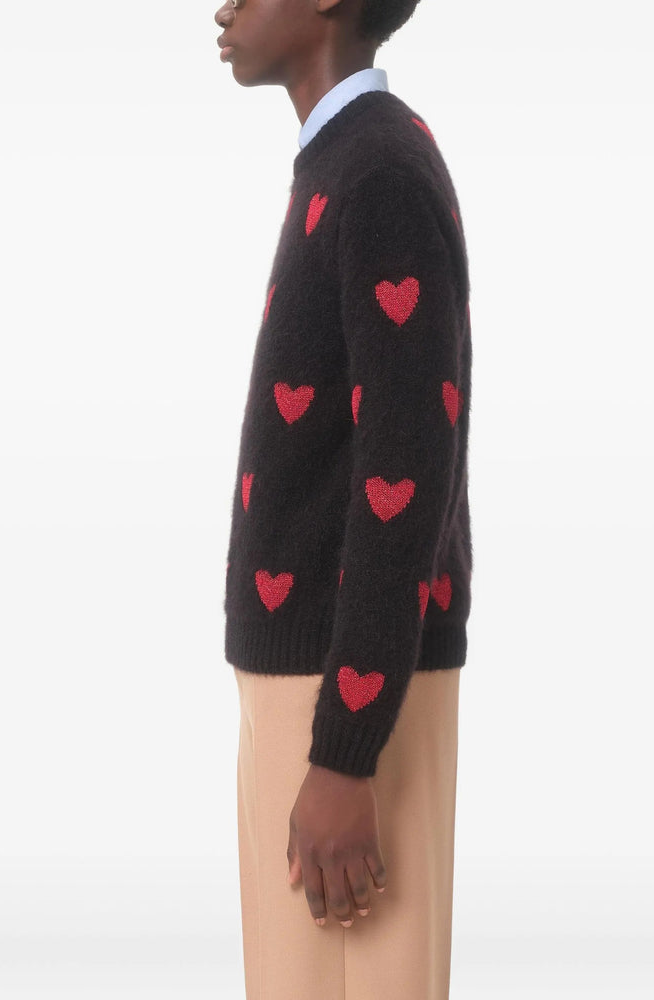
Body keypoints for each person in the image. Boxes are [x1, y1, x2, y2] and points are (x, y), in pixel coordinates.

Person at [214, 1, 473, 996]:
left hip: (347, 694)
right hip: (313, 683)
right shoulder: (344, 164)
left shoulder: (377, 174)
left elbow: (405, 471)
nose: (224, 7)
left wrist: (343, 754)